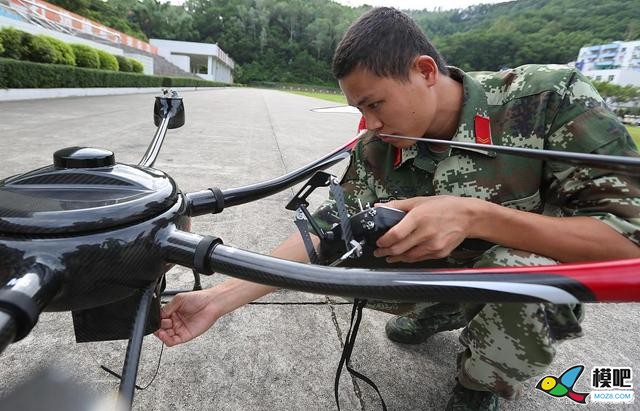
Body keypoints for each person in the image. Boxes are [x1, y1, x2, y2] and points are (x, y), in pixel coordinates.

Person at [155, 7, 640, 409]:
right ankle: (438, 310)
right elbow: (325, 233)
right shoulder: (377, 147)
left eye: (375, 103)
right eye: (358, 110)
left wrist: (473, 214)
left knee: (525, 273)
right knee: (354, 256)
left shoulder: (547, 100)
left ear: (425, 72)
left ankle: (477, 384)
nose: (368, 123)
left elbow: (627, 242)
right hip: (438, 273)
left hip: (519, 271)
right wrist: (216, 301)